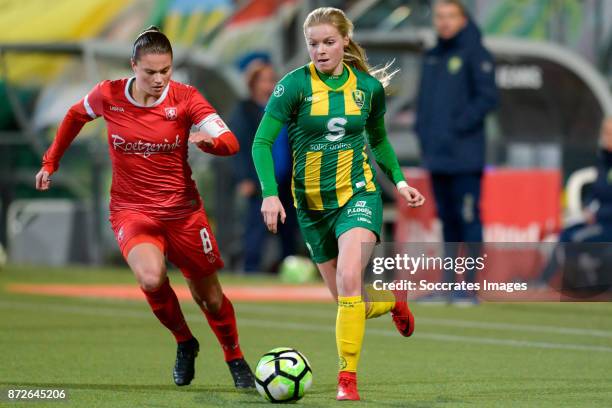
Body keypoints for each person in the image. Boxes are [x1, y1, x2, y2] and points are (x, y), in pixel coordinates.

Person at [35, 26, 255, 389]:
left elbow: (230, 142)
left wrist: (208, 143)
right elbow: (75, 116)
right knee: (151, 277)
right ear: (133, 65)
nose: (158, 79)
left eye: (165, 70)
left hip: (183, 212)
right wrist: (50, 162)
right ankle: (185, 341)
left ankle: (234, 356)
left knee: (210, 298)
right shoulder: (109, 94)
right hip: (132, 209)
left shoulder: (185, 97)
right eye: (150, 71)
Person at [252, 7, 425, 401]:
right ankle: (393, 301)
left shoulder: (367, 88)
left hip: (357, 195)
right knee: (350, 301)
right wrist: (269, 192)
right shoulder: (293, 86)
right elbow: (262, 142)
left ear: (345, 40)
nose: (320, 50)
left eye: (329, 42)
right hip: (311, 207)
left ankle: (347, 379)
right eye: (313, 44)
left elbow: (378, 140)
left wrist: (399, 182)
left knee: (349, 278)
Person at [414, 0, 497, 300]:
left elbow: (488, 98)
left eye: (451, 16)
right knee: (447, 220)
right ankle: (448, 283)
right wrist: (423, 133)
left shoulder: (476, 53)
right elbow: (423, 102)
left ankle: (470, 286)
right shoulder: (433, 56)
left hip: (465, 156)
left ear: (463, 19)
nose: (444, 22)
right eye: (440, 16)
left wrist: (456, 127)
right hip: (437, 156)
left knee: (469, 219)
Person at [230, 55, 297, 273]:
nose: (269, 85)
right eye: (264, 80)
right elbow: (237, 146)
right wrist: (244, 178)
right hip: (259, 181)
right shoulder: (245, 110)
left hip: (286, 179)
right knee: (256, 228)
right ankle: (251, 269)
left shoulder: (284, 109)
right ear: (253, 83)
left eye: (272, 79)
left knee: (289, 228)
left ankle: (289, 268)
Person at [541, 118, 612, 283]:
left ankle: (585, 284)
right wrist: (587, 208)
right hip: (599, 221)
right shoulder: (604, 160)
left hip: (607, 223)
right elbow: (596, 192)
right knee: (566, 233)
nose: (606, 137)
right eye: (605, 132)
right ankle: (543, 281)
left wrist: (599, 213)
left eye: (610, 133)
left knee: (576, 239)